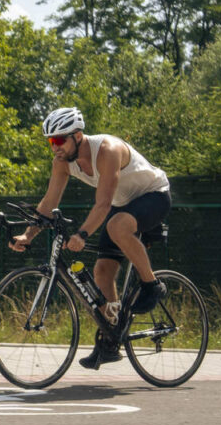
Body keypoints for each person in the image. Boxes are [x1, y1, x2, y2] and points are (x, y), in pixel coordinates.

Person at [10, 106, 171, 370]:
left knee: (117, 226)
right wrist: (28, 235)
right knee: (102, 272)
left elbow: (103, 204)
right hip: (123, 205)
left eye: (59, 140)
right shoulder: (62, 163)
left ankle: (152, 284)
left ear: (77, 135)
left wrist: (83, 234)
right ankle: (111, 339)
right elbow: (49, 202)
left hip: (153, 194)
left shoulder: (107, 150)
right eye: (51, 141)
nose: (55, 147)